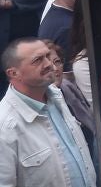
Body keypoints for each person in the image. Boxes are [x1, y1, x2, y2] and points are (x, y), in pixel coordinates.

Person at [0, 38, 96, 187]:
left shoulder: (57, 96)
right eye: (37, 60)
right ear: (14, 73)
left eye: (48, 56)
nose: (49, 64)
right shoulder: (5, 127)